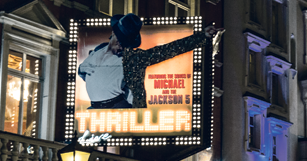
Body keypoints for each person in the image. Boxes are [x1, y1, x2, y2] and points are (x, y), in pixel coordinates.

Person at [78, 13, 223, 109]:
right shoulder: (99, 49)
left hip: (118, 110)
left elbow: (168, 50)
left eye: (126, 42)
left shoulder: (134, 58)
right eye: (120, 40)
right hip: (94, 110)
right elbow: (83, 71)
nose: (121, 45)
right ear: (113, 33)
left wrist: (202, 37)